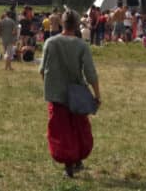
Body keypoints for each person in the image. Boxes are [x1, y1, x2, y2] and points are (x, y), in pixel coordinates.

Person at [40, 10, 100, 177]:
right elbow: (90, 73)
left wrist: (49, 87)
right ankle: (74, 162)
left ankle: (71, 163)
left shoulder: (50, 43)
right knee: (79, 128)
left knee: (62, 131)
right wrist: (97, 95)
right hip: (77, 95)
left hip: (57, 95)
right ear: (76, 25)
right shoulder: (82, 45)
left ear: (62, 23)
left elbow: (42, 70)